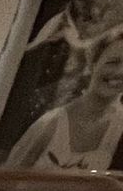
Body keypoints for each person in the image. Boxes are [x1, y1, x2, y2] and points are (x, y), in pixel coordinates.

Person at [6, 35, 123, 171]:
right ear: (93, 63)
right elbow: (9, 179)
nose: (120, 72)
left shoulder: (119, 129)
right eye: (113, 62)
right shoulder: (49, 124)